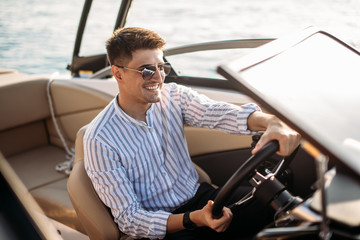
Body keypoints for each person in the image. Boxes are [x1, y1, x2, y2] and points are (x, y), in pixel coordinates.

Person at [83, 27, 301, 239]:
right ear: (118, 74)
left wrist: (271, 121)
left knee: (285, 210)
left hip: (202, 199)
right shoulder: (99, 140)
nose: (159, 77)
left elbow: (217, 113)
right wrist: (194, 219)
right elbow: (130, 219)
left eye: (162, 67)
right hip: (163, 228)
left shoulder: (174, 96)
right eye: (147, 70)